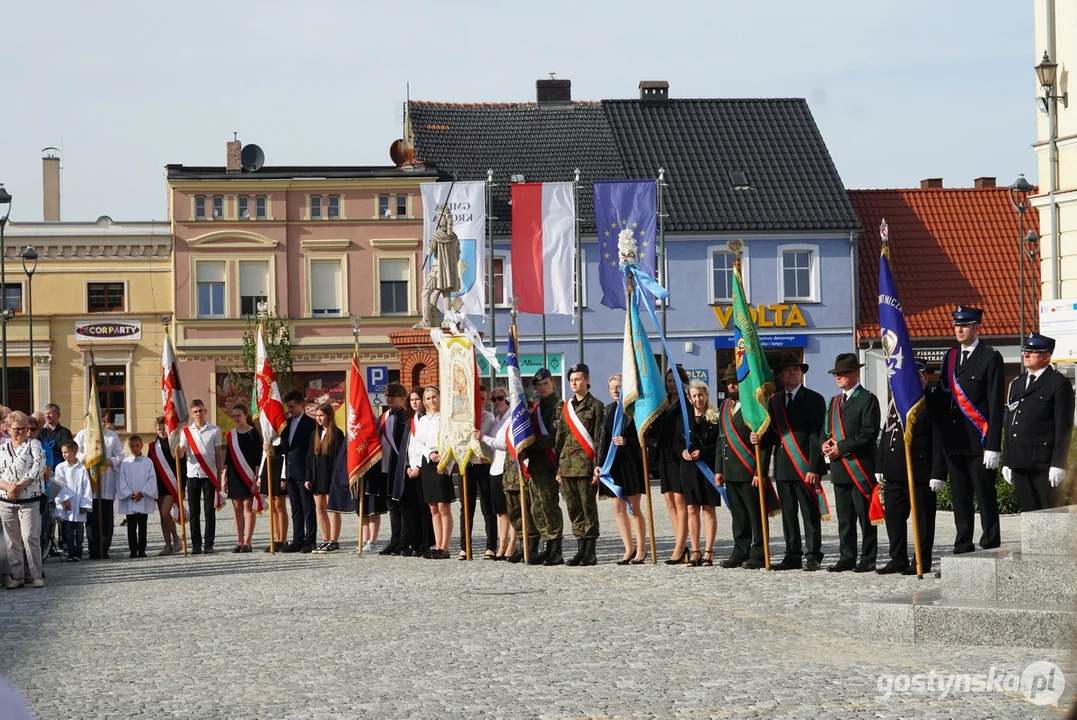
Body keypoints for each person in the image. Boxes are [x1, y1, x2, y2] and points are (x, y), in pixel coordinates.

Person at [938, 306, 1003, 554]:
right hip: (956, 440)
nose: (959, 329)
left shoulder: (989, 357)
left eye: (964, 325)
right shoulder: (951, 356)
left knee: (984, 494)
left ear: (977, 327)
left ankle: (990, 541)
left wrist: (994, 445)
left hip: (979, 439)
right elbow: (945, 396)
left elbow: (996, 404)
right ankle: (963, 542)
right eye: (956, 325)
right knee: (960, 496)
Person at [754, 353, 828, 572]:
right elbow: (772, 436)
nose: (793, 372)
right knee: (788, 514)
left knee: (809, 513)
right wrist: (758, 437)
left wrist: (815, 467)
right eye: (788, 369)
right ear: (780, 375)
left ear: (802, 373)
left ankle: (813, 555)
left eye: (796, 369)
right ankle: (792, 554)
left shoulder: (814, 399)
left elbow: (816, 435)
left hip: (805, 464)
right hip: (784, 465)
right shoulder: (774, 401)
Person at [877, 358, 946, 575]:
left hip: (920, 473)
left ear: (925, 378)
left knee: (923, 520)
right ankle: (897, 558)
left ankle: (921, 560)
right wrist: (881, 464)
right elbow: (886, 435)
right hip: (894, 472)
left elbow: (939, 441)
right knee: (894, 519)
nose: (916, 380)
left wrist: (938, 472)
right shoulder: (895, 403)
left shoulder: (932, 403)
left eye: (920, 376)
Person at [821, 353, 882, 573]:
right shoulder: (834, 401)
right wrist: (825, 445)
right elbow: (825, 430)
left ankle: (868, 557)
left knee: (865, 517)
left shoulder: (867, 399)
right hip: (839, 469)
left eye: (844, 373)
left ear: (856, 374)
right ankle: (846, 556)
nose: (839, 377)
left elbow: (868, 433)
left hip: (860, 467)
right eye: (837, 373)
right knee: (845, 518)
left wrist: (842, 447)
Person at [1002, 333, 1076, 512]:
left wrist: (1058, 463)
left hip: (1044, 462)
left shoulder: (1058, 383)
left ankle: (1055, 542)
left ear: (1046, 357)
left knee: (1049, 512)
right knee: (1028, 512)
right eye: (1025, 351)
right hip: (1020, 460)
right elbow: (1011, 424)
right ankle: (1031, 542)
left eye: (1033, 352)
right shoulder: (1017, 383)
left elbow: (1063, 427)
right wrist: (1007, 460)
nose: (1026, 355)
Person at [715, 366, 774, 570]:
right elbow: (721, 440)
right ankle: (740, 551)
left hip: (749, 471)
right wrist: (718, 470)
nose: (731, 385)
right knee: (738, 516)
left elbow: (765, 443)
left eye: (734, 381)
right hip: (731, 471)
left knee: (755, 515)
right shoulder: (724, 407)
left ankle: (758, 552)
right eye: (728, 382)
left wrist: (760, 471)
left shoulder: (754, 406)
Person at [555, 363, 605, 567]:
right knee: (573, 509)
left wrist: (597, 465)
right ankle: (579, 549)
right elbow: (561, 438)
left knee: (588, 508)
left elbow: (599, 437)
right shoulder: (566, 407)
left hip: (585, 466)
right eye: (571, 380)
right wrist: (557, 468)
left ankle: (590, 552)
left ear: (587, 380)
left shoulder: (596, 406)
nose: (574, 383)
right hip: (567, 467)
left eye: (578, 379)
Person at [595, 374, 647, 565]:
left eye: (618, 387)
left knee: (633, 508)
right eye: (612, 388)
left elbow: (644, 438)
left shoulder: (634, 409)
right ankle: (628, 549)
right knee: (618, 508)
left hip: (630, 463)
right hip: (612, 465)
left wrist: (628, 442)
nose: (615, 391)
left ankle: (641, 549)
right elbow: (601, 440)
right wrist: (598, 464)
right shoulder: (608, 410)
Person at [676, 380, 722, 567]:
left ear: (706, 396)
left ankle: (709, 551)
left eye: (700, 395)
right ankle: (695, 551)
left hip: (708, 467)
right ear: (689, 398)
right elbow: (676, 441)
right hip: (688, 469)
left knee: (708, 509)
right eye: (694, 396)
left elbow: (719, 444)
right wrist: (682, 452)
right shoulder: (684, 418)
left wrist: (703, 452)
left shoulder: (714, 417)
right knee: (692, 509)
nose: (697, 399)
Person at [0, 411, 48, 588]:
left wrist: (17, 486)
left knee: (29, 537)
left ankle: (35, 574)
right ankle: (17, 576)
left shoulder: (33, 444)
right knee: (11, 540)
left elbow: (38, 467)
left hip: (29, 499)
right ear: (7, 429)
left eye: (24, 428)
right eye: (16, 429)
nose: (20, 432)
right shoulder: (2, 449)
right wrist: (7, 487)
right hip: (6, 500)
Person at [526, 368, 565, 566]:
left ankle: (556, 548)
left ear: (553, 383)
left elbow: (555, 438)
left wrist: (532, 443)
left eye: (545, 384)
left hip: (550, 464)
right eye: (538, 385)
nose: (542, 388)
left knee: (550, 506)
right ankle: (547, 544)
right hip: (536, 464)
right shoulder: (537, 409)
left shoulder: (559, 407)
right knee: (537, 507)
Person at [176, 399, 224, 555]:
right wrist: (177, 446)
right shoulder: (186, 432)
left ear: (205, 411)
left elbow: (218, 453)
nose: (198, 414)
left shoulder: (214, 430)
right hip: (193, 474)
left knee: (209, 511)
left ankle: (209, 543)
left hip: (209, 474)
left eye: (200, 411)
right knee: (194, 511)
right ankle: (196, 544)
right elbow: (181, 452)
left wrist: (219, 474)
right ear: (191, 414)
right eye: (195, 411)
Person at [409, 387, 453, 559]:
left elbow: (451, 440)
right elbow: (418, 442)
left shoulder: (446, 419)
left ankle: (445, 546)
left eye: (434, 397)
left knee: (443, 506)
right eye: (427, 398)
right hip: (428, 460)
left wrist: (445, 460)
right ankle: (437, 544)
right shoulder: (424, 420)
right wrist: (429, 454)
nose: (431, 401)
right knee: (433, 507)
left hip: (443, 459)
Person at [652, 366, 690, 563]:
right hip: (664, 455)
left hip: (679, 455)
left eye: (674, 381)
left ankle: (680, 546)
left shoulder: (687, 402)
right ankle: (680, 544)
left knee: (679, 501)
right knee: (669, 502)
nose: (671, 385)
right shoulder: (662, 403)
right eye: (669, 381)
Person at [75, 420, 124, 559]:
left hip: (107, 482)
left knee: (106, 518)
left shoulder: (112, 436)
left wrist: (110, 461)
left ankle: (105, 548)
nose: (101, 424)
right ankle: (93, 549)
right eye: (98, 421)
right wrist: (89, 458)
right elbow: (75, 452)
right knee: (91, 519)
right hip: (90, 481)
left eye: (104, 421)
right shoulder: (83, 435)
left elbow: (120, 455)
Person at [277, 390, 317, 553]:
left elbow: (311, 451)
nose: (290, 410)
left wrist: (310, 474)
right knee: (295, 508)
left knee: (308, 507)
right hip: (290, 471)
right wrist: (270, 446)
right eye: (288, 407)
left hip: (304, 471)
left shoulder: (310, 424)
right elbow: (285, 448)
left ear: (302, 405)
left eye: (293, 407)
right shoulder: (286, 425)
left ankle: (310, 540)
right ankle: (297, 539)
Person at [460, 385, 497, 560]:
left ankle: (491, 546)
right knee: (466, 508)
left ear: (486, 400)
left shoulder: (489, 418)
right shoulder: (463, 419)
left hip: (483, 465)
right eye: (476, 398)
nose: (479, 402)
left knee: (487, 507)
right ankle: (464, 546)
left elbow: (493, 442)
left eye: (482, 398)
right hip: (466, 465)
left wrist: (487, 455)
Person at [304, 403, 346, 553]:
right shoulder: (314, 434)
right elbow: (309, 457)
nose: (319, 419)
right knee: (319, 509)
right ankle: (325, 539)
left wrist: (337, 478)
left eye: (321, 415)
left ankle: (334, 540)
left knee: (332, 509)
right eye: (316, 416)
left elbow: (338, 458)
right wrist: (308, 477)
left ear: (329, 415)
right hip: (316, 477)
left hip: (330, 477)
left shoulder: (337, 433)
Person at [479, 387, 514, 560]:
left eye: (500, 398)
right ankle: (502, 544)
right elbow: (495, 447)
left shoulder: (511, 418)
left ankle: (512, 544)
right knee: (500, 510)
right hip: (495, 467)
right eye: (494, 399)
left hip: (509, 467)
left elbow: (507, 443)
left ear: (507, 398)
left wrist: (484, 438)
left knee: (511, 508)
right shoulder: (497, 420)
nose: (497, 402)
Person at [396, 389, 432, 556]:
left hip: (423, 468)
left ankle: (425, 543)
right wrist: (408, 466)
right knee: (408, 507)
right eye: (412, 400)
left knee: (423, 508)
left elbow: (424, 445)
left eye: (418, 399)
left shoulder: (427, 419)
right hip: (408, 468)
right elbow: (409, 446)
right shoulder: (411, 420)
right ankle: (414, 542)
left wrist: (418, 467)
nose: (415, 402)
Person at [224, 403, 262, 553]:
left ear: (246, 415)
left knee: (248, 506)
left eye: (238, 415)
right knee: (237, 507)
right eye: (233, 416)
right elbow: (228, 458)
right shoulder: (231, 434)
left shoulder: (253, 433)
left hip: (249, 474)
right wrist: (223, 477)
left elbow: (258, 457)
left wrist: (256, 477)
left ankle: (248, 541)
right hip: (234, 474)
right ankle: (239, 540)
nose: (236, 418)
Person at [377, 383, 409, 555]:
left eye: (393, 395)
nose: (389, 398)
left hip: (399, 467)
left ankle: (404, 541)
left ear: (401, 398)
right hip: (385, 467)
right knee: (392, 507)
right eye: (387, 395)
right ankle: (394, 540)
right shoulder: (382, 417)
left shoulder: (405, 417)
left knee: (402, 507)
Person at [148, 417, 185, 556]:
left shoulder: (174, 443)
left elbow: (182, 466)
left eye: (164, 429)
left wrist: (182, 486)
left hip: (172, 483)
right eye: (159, 429)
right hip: (158, 484)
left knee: (165, 512)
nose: (162, 432)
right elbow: (149, 467)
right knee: (163, 517)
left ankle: (176, 537)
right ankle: (167, 545)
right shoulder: (152, 446)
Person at [117, 435, 156, 559]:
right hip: (130, 498)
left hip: (143, 498)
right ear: (129, 447)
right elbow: (121, 480)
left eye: (137, 446)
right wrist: (130, 493)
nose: (135, 448)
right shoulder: (125, 463)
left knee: (143, 525)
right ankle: (133, 550)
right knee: (131, 526)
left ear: (141, 446)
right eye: (132, 446)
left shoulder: (148, 462)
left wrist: (143, 492)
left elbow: (151, 479)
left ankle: (142, 549)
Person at [53, 440, 93, 561]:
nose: (64, 455)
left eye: (67, 452)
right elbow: (59, 484)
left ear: (75, 452)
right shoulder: (60, 467)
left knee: (79, 530)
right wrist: (64, 500)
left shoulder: (81, 469)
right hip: (67, 504)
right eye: (62, 452)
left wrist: (85, 503)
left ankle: (78, 552)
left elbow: (86, 486)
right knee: (68, 530)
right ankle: (70, 552)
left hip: (79, 502)